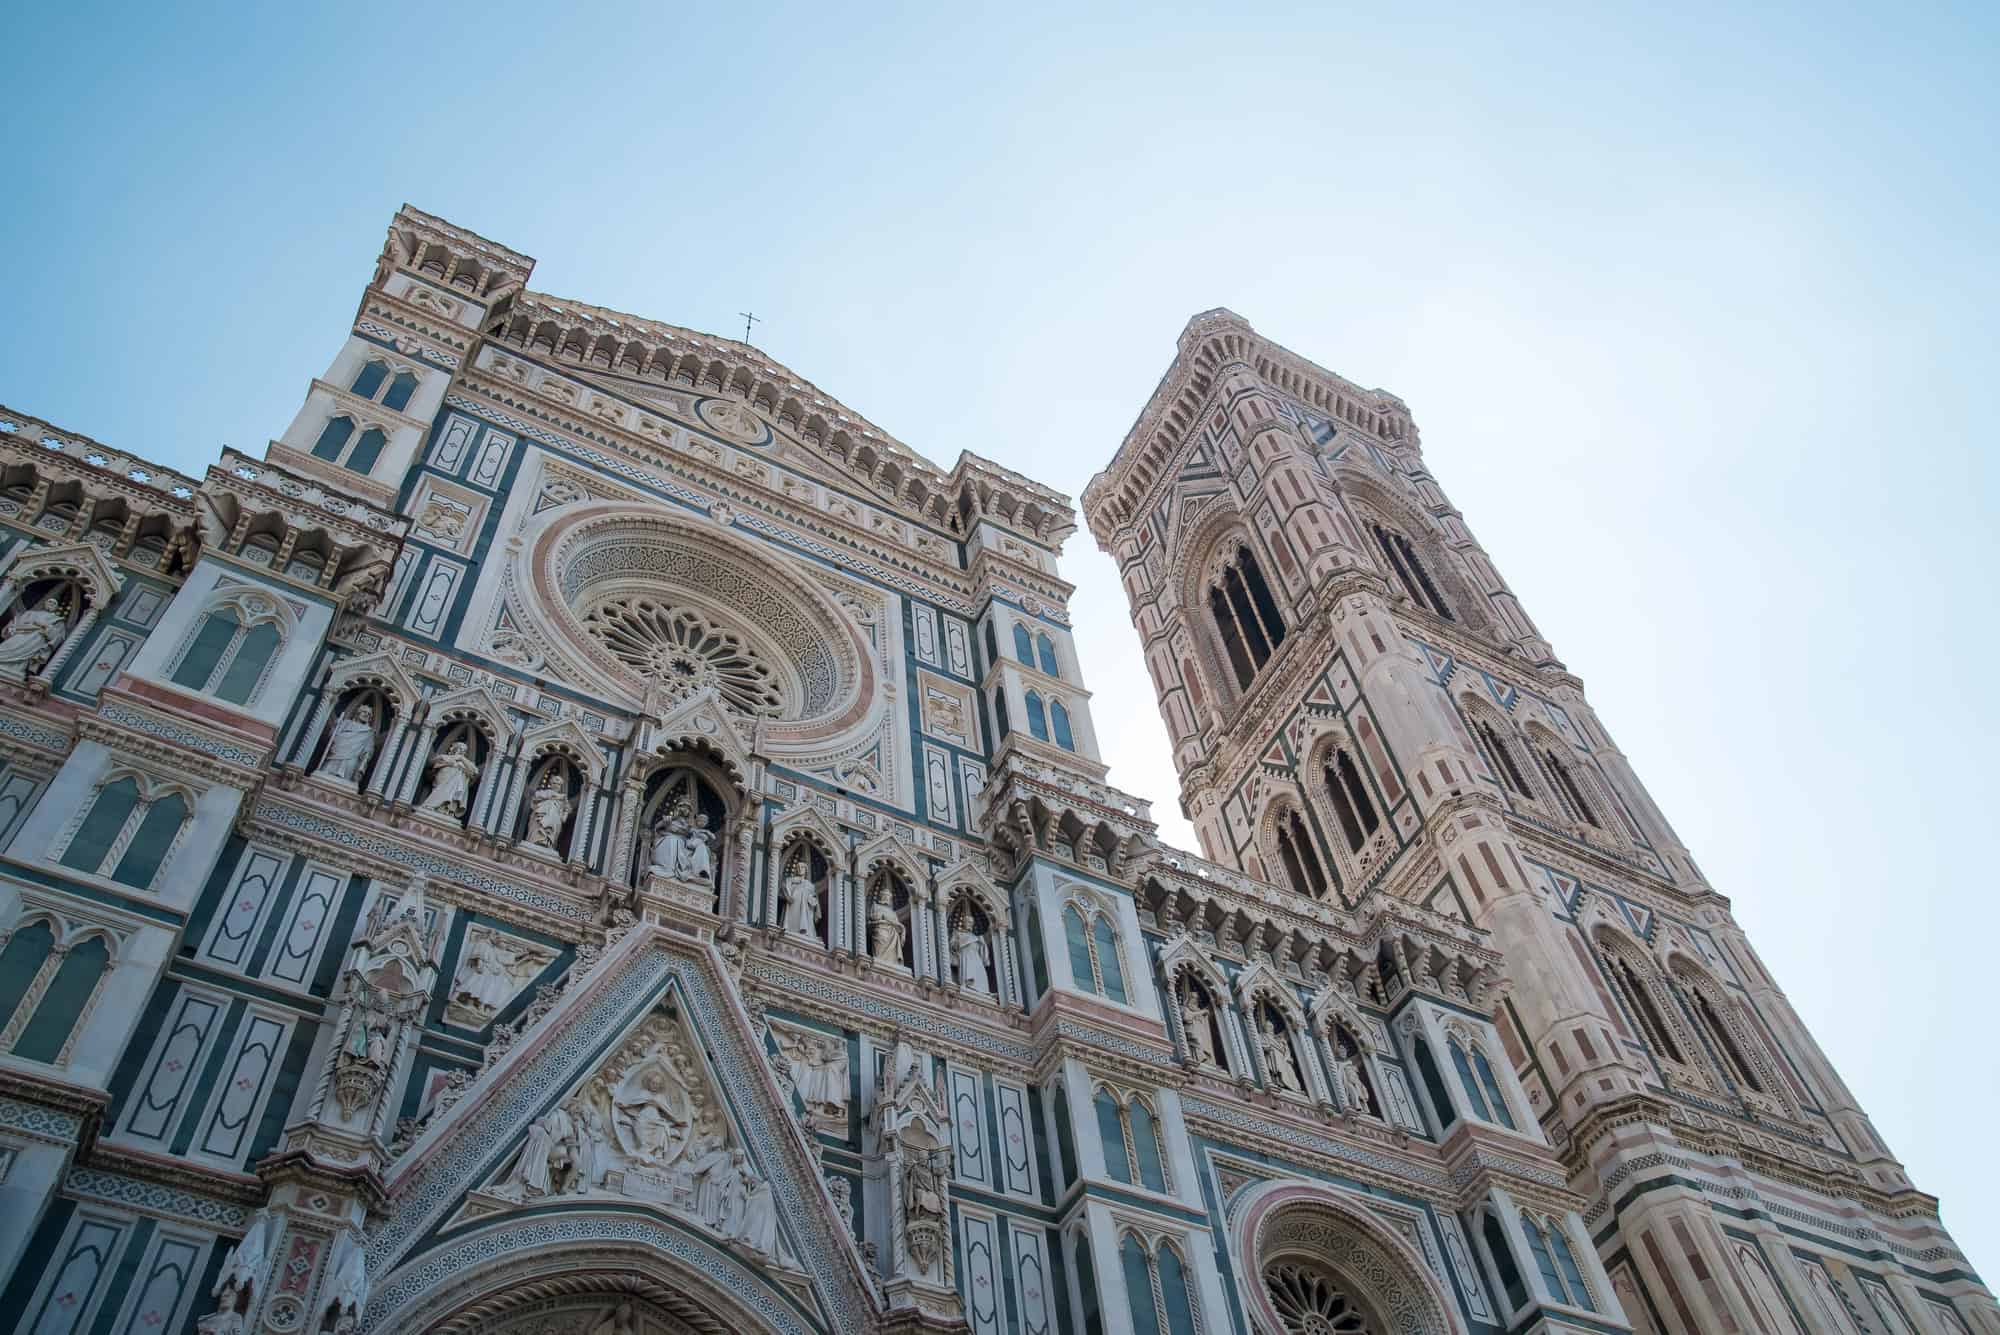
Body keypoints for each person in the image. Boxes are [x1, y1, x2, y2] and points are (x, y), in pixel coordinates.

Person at [315, 704, 377, 787]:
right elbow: (332, 737)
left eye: (369, 714)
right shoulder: (344, 723)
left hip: (352, 758)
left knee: (345, 782)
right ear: (358, 713)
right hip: (335, 754)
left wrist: (364, 760)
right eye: (364, 712)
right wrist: (336, 726)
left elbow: (369, 750)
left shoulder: (369, 732)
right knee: (325, 773)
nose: (366, 715)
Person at [418, 741, 480, 817]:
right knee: (441, 791)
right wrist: (450, 762)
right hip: (444, 779)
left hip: (456, 783)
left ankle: (447, 810)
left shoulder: (466, 762)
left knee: (452, 793)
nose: (461, 751)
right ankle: (431, 805)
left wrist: (461, 759)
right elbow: (432, 763)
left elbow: (475, 771)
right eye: (459, 748)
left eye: (463, 750)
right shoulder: (444, 756)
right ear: (453, 749)